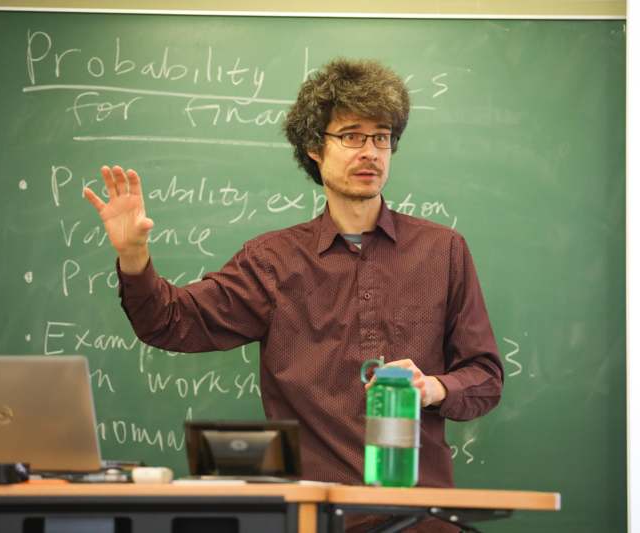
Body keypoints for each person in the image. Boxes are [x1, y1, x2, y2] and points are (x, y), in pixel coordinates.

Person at [84, 58, 503, 494]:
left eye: (382, 138)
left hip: (418, 513)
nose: (370, 152)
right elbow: (170, 322)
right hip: (312, 511)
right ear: (314, 148)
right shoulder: (273, 262)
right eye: (351, 136)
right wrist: (133, 256)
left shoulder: (442, 251)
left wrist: (433, 388)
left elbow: (485, 376)